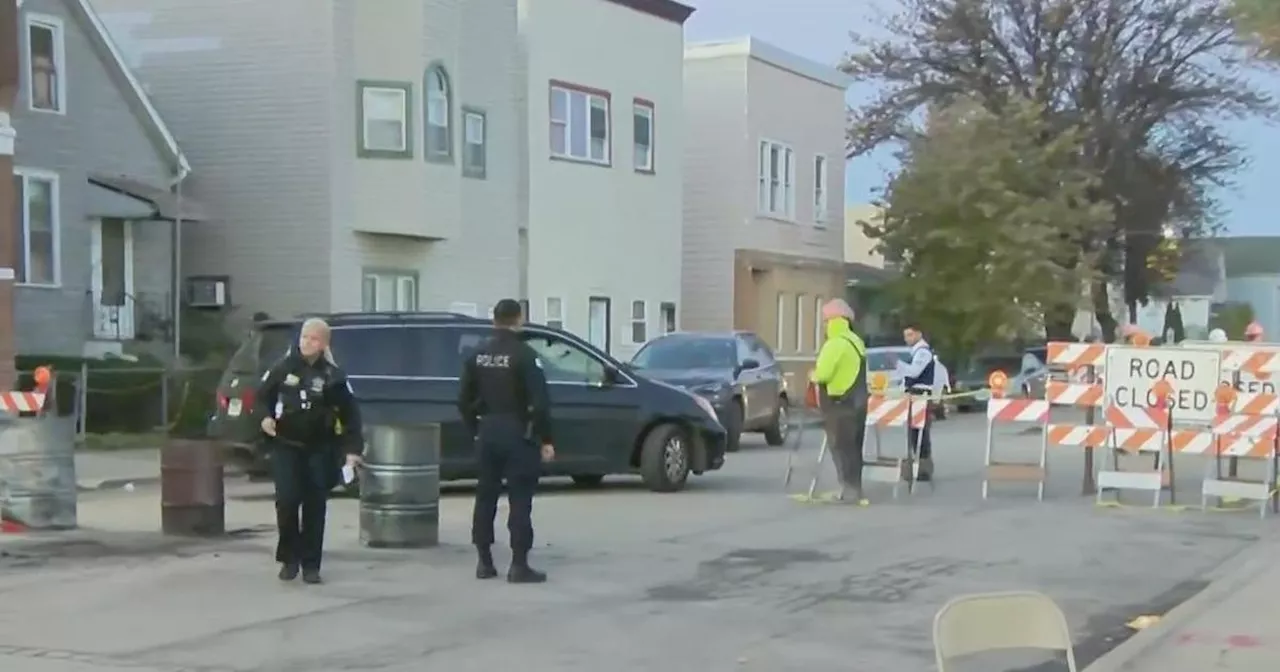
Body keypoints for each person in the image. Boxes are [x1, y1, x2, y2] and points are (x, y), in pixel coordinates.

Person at [256, 318, 363, 584]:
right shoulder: (284, 368)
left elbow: (351, 416)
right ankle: (289, 557)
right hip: (287, 445)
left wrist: (352, 451)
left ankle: (311, 563)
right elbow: (261, 397)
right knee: (288, 501)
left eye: (314, 339)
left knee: (315, 506)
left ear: (324, 343)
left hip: (320, 447)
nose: (307, 342)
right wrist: (265, 418)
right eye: (304, 337)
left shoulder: (333, 376)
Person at [458, 299, 555, 583]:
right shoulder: (524, 355)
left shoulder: (477, 354)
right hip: (517, 432)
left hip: (487, 431)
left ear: (494, 320)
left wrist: (474, 428)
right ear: (518, 319)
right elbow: (541, 403)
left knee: (485, 496)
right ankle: (518, 564)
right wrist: (545, 437)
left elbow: (462, 400)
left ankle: (484, 562)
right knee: (520, 498)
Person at [810, 299, 869, 505]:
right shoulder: (856, 341)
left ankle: (846, 489)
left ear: (834, 321)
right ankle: (855, 488)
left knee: (840, 447)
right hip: (859, 403)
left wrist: (813, 376)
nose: (824, 325)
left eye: (826, 321)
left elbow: (824, 374)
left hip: (838, 403)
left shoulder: (834, 344)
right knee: (854, 448)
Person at [897, 323, 937, 481]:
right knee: (913, 432)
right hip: (913, 395)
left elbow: (914, 372)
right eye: (905, 335)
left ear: (919, 334)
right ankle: (916, 466)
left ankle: (924, 468)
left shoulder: (922, 353)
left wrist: (898, 364)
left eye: (910, 335)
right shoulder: (915, 352)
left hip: (921, 394)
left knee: (920, 432)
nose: (907, 339)